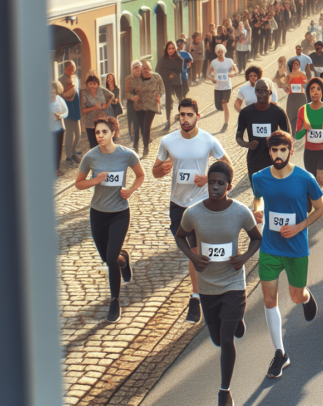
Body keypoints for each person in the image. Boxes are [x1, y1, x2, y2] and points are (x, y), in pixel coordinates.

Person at [176, 161, 260, 406]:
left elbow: (257, 238)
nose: (214, 186)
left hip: (233, 283)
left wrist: (244, 258)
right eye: (211, 182)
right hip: (208, 286)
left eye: (219, 183)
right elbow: (180, 236)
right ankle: (235, 323)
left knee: (225, 341)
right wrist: (192, 256)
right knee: (215, 337)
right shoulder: (192, 213)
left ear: (229, 186)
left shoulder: (240, 212)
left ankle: (225, 391)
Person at [252, 131, 323, 379]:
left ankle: (305, 297)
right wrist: (258, 210)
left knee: (295, 295)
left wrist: (299, 227)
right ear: (269, 151)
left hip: (296, 248)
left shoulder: (305, 179)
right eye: (274, 150)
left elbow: (320, 209)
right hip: (270, 248)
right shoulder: (259, 177)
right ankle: (280, 354)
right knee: (269, 300)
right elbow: (257, 199)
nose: (278, 154)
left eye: (283, 150)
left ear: (291, 150)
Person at [152, 98, 231, 323]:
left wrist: (209, 179)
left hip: (202, 204)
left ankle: (196, 298)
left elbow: (228, 166)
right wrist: (162, 169)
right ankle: (207, 290)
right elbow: (155, 171)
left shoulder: (208, 140)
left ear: (197, 115)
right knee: (195, 252)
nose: (185, 119)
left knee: (197, 252)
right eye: (182, 115)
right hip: (177, 205)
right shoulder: (168, 141)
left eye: (189, 114)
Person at [75, 116, 145, 322]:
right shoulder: (90, 157)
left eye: (104, 132)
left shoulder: (126, 155)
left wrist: (131, 190)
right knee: (109, 258)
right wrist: (95, 180)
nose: (100, 136)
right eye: (97, 132)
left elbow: (140, 175)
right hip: (98, 214)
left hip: (120, 213)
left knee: (110, 259)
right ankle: (124, 260)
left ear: (113, 132)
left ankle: (115, 301)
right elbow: (78, 183)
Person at [235, 79, 291, 210]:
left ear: (270, 92)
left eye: (264, 91)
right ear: (255, 92)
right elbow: (238, 136)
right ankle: (260, 219)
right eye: (258, 91)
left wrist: (283, 153)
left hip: (275, 160)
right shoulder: (246, 113)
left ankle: (273, 215)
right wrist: (247, 144)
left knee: (274, 192)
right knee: (258, 193)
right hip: (254, 160)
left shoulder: (278, 112)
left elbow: (288, 136)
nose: (261, 94)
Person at [294, 78, 323, 180]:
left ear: (322, 92)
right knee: (313, 181)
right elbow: (297, 136)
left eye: (318, 89)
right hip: (309, 153)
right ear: (308, 92)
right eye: (312, 89)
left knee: (322, 178)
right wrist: (304, 128)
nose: (315, 92)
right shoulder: (302, 110)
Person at [124, 60, 164, 158]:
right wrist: (133, 97)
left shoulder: (156, 77)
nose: (146, 70)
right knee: (142, 126)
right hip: (140, 106)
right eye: (144, 68)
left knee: (147, 125)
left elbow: (162, 88)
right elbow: (127, 93)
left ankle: (146, 148)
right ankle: (143, 143)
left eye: (148, 68)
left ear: (151, 68)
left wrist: (159, 95)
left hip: (152, 105)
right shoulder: (136, 80)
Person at [79, 74, 114, 149]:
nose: (92, 86)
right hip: (90, 122)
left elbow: (111, 95)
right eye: (90, 84)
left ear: (98, 84)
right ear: (87, 85)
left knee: (103, 143)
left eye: (94, 83)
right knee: (93, 145)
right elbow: (82, 110)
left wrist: (106, 105)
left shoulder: (101, 90)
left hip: (102, 120)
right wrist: (94, 107)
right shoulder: (84, 93)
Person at [208, 44, 237, 133]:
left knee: (225, 104)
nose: (220, 52)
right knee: (218, 106)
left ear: (224, 51)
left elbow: (235, 70)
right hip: (217, 87)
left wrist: (231, 74)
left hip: (227, 86)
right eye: (218, 51)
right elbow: (209, 73)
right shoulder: (214, 62)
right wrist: (212, 79)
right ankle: (225, 118)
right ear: (216, 53)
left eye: (221, 51)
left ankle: (226, 124)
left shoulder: (229, 61)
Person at [159, 41, 185, 128]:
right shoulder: (163, 59)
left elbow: (180, 70)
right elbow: (159, 70)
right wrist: (168, 73)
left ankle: (182, 117)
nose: (171, 50)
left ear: (175, 49)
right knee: (168, 100)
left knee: (180, 99)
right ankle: (168, 120)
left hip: (177, 81)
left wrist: (173, 73)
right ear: (166, 49)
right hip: (167, 82)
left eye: (172, 48)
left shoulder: (179, 59)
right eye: (169, 48)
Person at [284, 59, 309, 136]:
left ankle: (302, 131)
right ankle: (292, 132)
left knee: (302, 113)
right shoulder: (288, 76)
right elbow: (285, 88)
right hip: (292, 97)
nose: (295, 66)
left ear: (299, 65)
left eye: (296, 64)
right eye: (293, 64)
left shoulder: (303, 75)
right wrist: (287, 88)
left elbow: (305, 84)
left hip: (301, 96)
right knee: (290, 114)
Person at [51, 81, 68, 176]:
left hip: (58, 129)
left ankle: (56, 169)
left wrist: (60, 116)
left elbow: (66, 112)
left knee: (57, 149)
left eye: (53, 92)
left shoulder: (59, 99)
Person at [123, 61, 141, 139]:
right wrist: (133, 97)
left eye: (138, 67)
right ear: (132, 69)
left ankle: (142, 133)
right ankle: (132, 134)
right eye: (135, 68)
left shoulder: (144, 77)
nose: (137, 69)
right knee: (132, 118)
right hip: (132, 101)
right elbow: (126, 93)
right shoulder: (128, 79)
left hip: (142, 101)